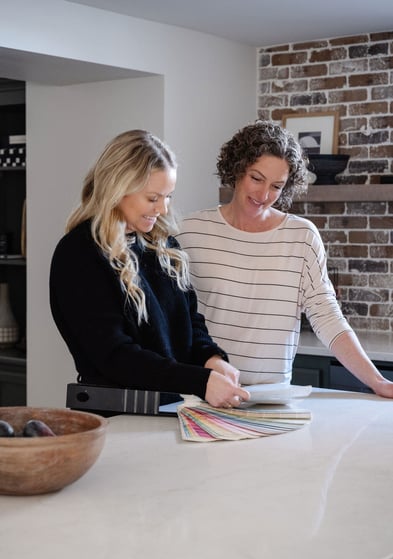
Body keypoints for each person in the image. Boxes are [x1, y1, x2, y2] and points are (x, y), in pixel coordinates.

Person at [177, 120, 393, 399]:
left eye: (277, 186)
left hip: (272, 398)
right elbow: (175, 319)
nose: (264, 195)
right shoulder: (189, 231)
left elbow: (327, 316)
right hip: (203, 394)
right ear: (237, 169)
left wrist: (377, 381)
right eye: (256, 178)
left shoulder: (301, 237)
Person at [49, 129, 250, 409]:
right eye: (153, 198)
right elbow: (115, 357)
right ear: (118, 189)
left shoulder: (164, 245)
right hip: (115, 416)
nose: (164, 209)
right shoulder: (79, 253)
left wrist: (212, 360)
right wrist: (200, 381)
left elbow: (190, 322)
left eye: (168, 197)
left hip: (172, 408)